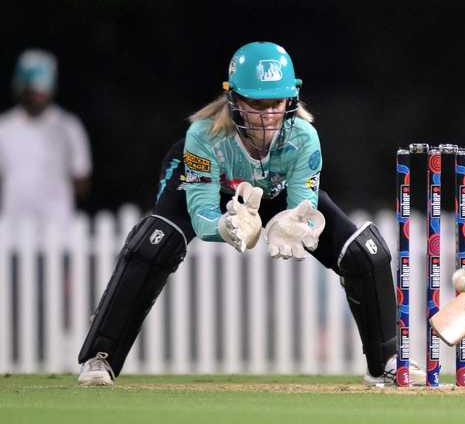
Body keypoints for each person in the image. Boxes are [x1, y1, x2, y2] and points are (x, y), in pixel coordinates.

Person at [77, 42, 406, 386]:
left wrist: (295, 223)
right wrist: (225, 226)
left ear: (291, 99)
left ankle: (386, 362)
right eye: (256, 104)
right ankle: (101, 356)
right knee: (153, 245)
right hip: (214, 190)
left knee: (364, 252)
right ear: (233, 98)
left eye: (275, 103)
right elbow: (202, 214)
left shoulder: (304, 137)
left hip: (274, 191)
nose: (267, 116)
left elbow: (304, 207)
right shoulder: (204, 136)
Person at [0, 48, 92, 223]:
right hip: (12, 223)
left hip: (57, 224)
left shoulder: (68, 126)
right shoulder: (4, 128)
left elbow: (82, 178)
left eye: (41, 91)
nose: (36, 97)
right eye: (31, 91)